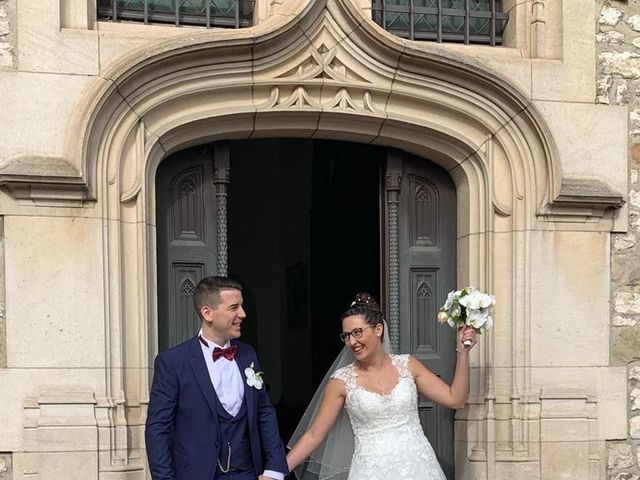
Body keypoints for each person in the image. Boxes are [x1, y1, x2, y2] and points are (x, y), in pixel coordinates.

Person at [286, 292, 477, 480]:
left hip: (419, 467)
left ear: (378, 330)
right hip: (369, 471)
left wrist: (463, 352)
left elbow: (456, 399)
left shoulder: (407, 365)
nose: (352, 342)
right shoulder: (341, 381)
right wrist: (276, 472)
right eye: (346, 336)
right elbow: (314, 435)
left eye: (357, 332)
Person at [145, 276, 288, 480]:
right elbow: (158, 428)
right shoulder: (173, 362)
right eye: (234, 307)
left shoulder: (248, 355)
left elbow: (264, 412)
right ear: (207, 313)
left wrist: (274, 468)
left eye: (242, 306)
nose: (243, 314)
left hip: (247, 474)